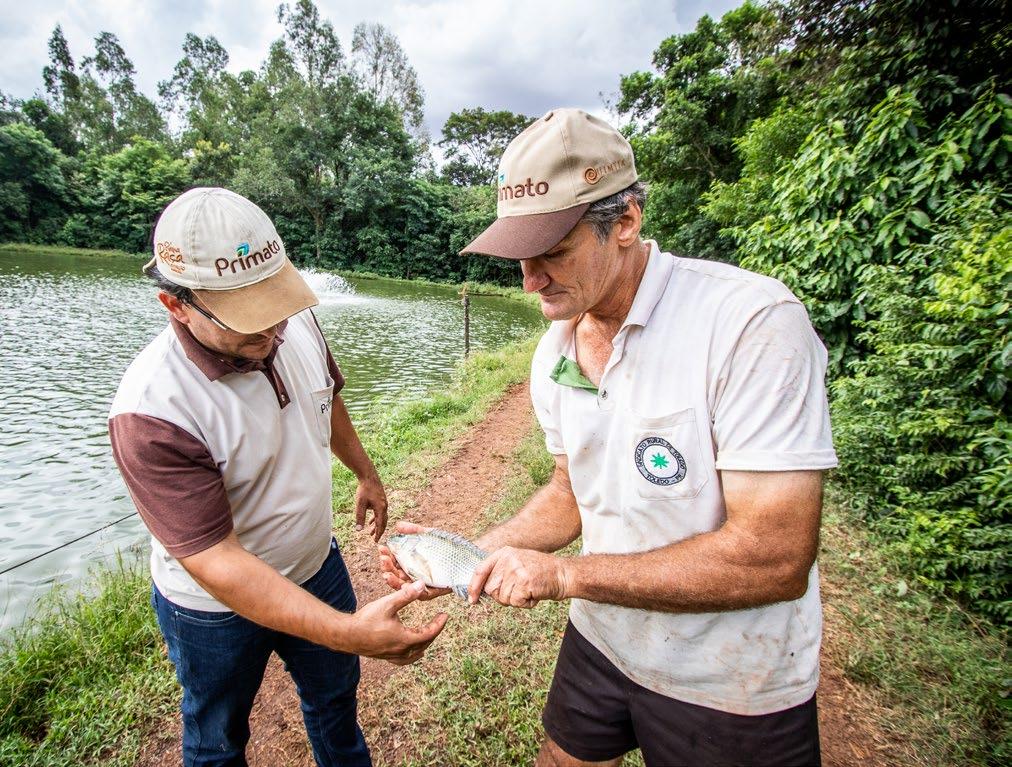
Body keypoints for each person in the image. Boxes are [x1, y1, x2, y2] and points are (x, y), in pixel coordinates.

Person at [381, 109, 836, 766]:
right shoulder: (554, 349)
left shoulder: (750, 324)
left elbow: (775, 554)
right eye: (520, 258)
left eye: (554, 254)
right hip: (603, 638)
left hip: (734, 679)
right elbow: (572, 492)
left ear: (625, 222)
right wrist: (469, 557)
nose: (531, 282)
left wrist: (566, 574)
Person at [109, 187, 448, 767]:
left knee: (335, 703)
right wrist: (349, 633)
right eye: (248, 316)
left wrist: (365, 471)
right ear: (177, 305)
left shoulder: (297, 325)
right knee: (217, 741)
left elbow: (327, 397)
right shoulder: (152, 412)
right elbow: (215, 560)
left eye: (277, 303)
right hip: (212, 609)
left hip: (317, 564)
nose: (272, 330)